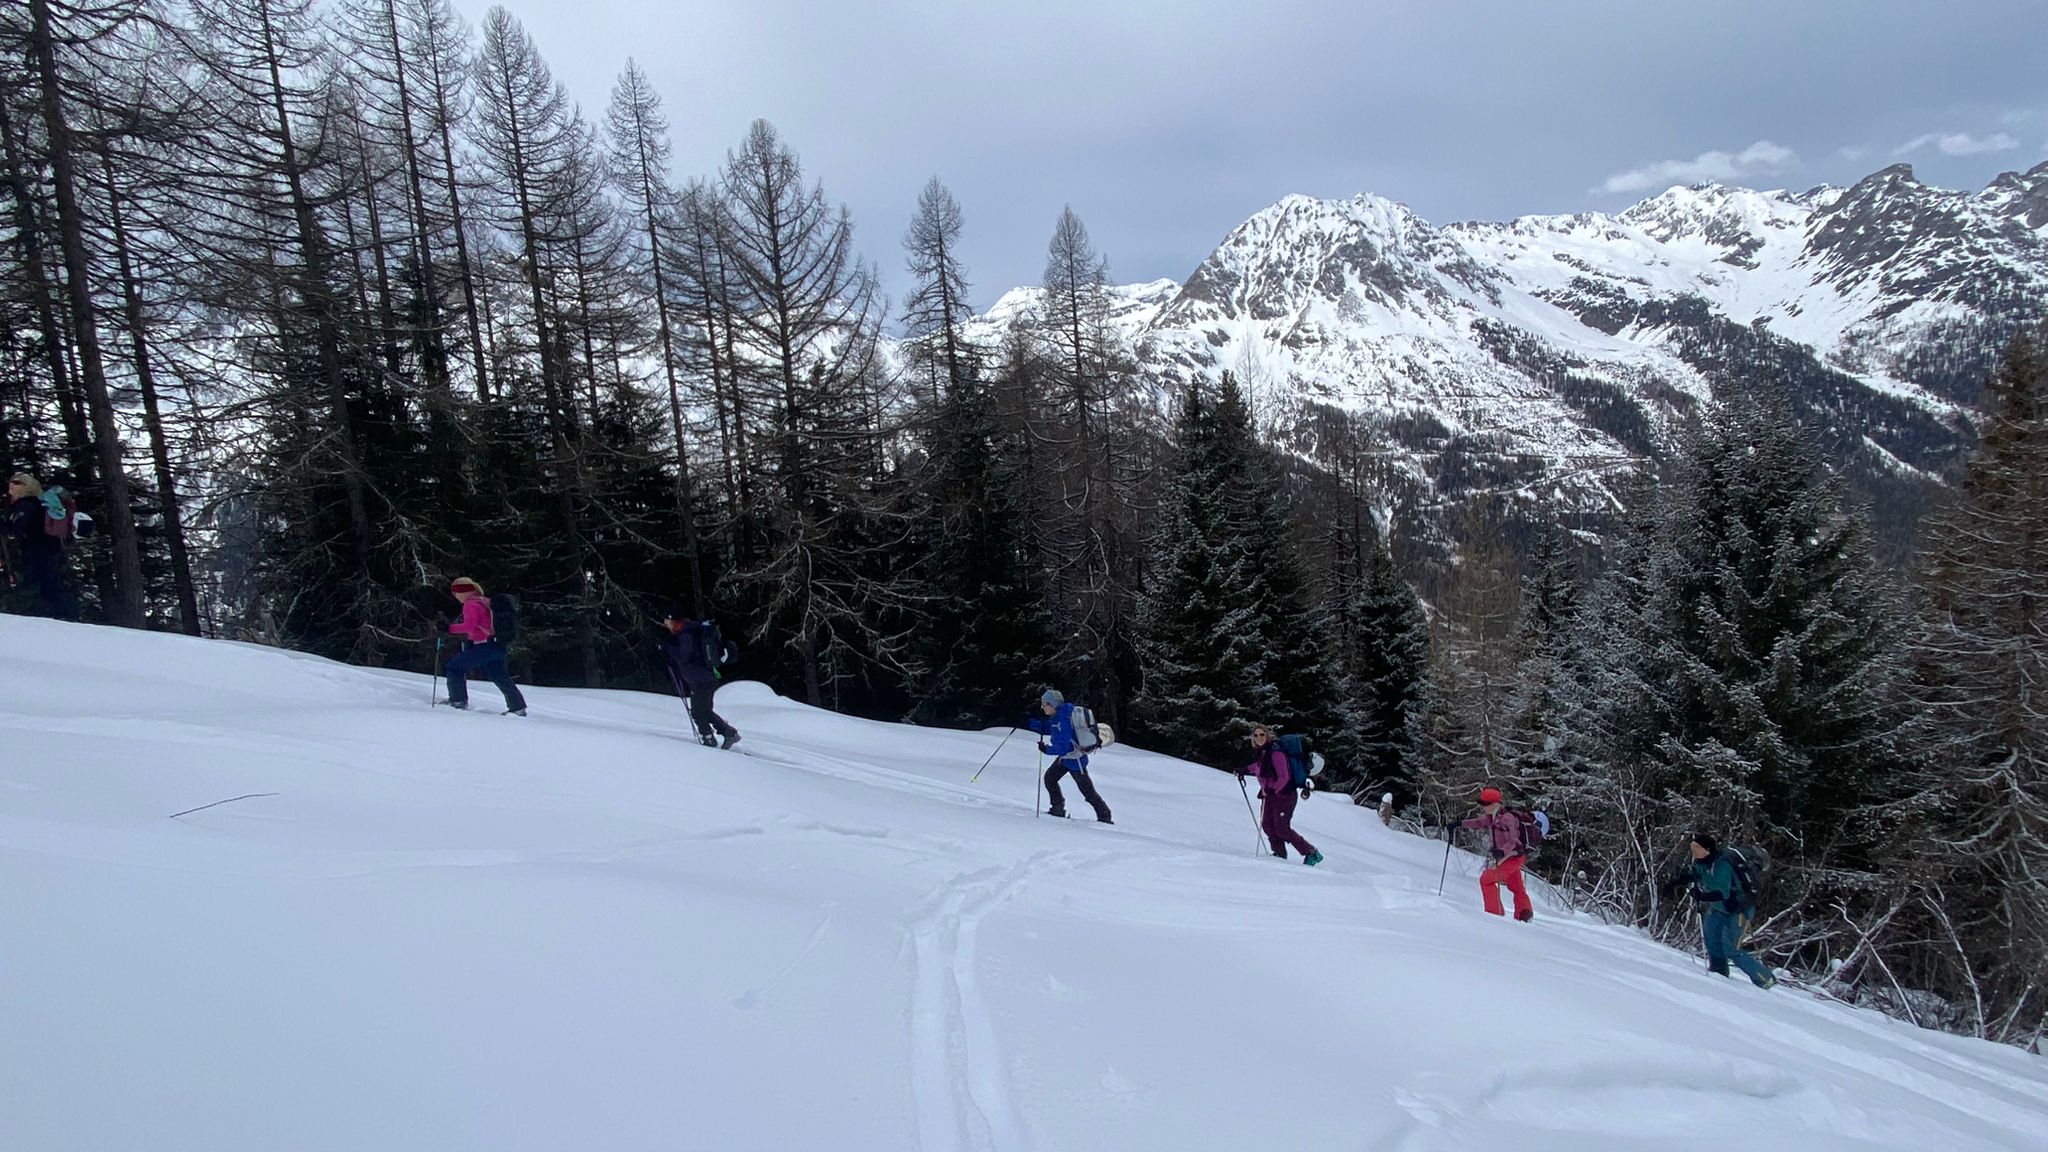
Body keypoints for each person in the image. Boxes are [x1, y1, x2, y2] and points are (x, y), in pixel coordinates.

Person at [1680, 833, 1776, 989]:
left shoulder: (1723, 864)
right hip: (1719, 908)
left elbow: (1722, 892)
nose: (1694, 851)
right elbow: (1698, 875)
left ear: (1707, 849)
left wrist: (1702, 896)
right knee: (1712, 940)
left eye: (1697, 847)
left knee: (1732, 948)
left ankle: (1765, 979)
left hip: (1739, 910)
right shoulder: (1705, 862)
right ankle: (1718, 973)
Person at [1239, 725, 1323, 865]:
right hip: (1269, 795)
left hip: (1285, 795)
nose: (1259, 737)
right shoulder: (1263, 752)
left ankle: (1311, 852)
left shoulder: (1276, 752)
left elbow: (1284, 776)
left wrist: (1272, 789)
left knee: (1282, 829)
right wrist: (1245, 769)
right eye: (1256, 735)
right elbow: (1259, 767)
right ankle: (1279, 854)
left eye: (1262, 734)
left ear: (1267, 735)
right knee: (1267, 825)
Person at [1024, 689, 1111, 823]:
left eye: (1044, 704)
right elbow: (1048, 727)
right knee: (1050, 779)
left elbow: (1064, 748)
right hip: (1066, 759)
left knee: (1087, 791)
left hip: (1075, 761)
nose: (1042, 707)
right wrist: (1029, 722)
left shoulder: (1064, 720)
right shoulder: (1059, 716)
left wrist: (1046, 749)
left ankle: (1105, 816)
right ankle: (1057, 809)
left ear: (1053, 704)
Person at [442, 576, 526, 715]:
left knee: (454, 667)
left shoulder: (470, 604)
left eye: (456, 593)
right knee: (499, 676)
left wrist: (448, 628)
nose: (455, 596)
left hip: (484, 646)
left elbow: (469, 627)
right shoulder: (484, 601)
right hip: (498, 644)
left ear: (462, 592)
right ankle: (518, 708)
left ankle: (457, 701)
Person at [657, 607, 739, 749]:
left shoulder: (686, 633)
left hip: (701, 680)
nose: (665, 623)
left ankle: (709, 739)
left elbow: (684, 657)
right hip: (705, 678)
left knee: (697, 712)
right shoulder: (688, 630)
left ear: (673, 620)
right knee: (704, 710)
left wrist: (667, 647)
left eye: (667, 620)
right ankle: (729, 733)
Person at [2, 473, 77, 621]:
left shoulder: (27, 504)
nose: (12, 485)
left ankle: (63, 616)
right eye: (11, 482)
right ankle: (62, 615)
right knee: (48, 580)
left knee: (44, 581)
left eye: (17, 483)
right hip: (46, 547)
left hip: (40, 549)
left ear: (28, 487)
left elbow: (17, 528)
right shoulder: (31, 504)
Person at [1454, 786, 1533, 921]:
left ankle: (1494, 915)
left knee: (1486, 880)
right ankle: (1524, 913)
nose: (1483, 806)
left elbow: (1513, 840)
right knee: (1516, 886)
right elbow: (1479, 822)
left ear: (1495, 804)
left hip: (1512, 857)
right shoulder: (1492, 817)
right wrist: (1459, 824)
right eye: (1481, 803)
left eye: (1485, 803)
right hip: (1508, 857)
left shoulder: (1507, 818)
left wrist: (1502, 851)